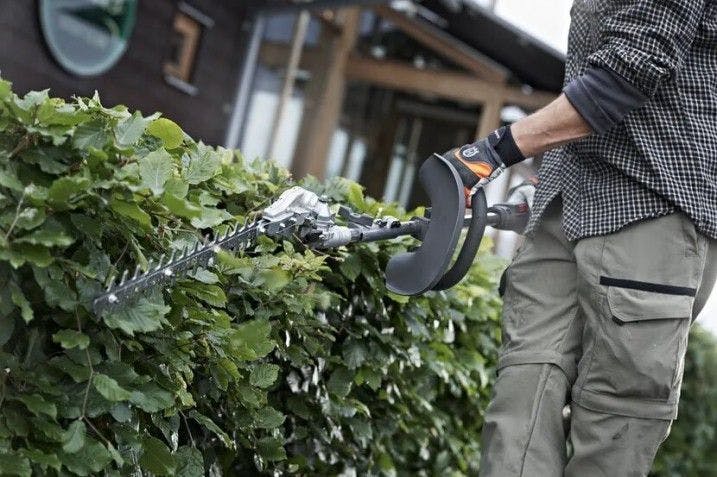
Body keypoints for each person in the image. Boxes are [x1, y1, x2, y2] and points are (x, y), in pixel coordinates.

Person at [443, 1, 717, 475]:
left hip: (652, 206)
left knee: (614, 430)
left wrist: (492, 152)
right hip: (567, 200)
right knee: (520, 400)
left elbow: (633, 66)